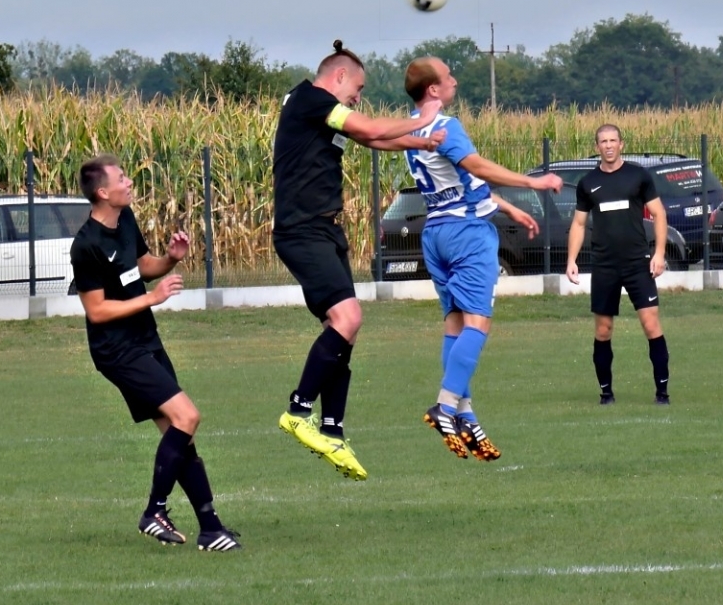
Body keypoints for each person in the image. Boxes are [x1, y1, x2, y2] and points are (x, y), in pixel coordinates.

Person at [271, 39, 444, 480]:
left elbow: (370, 140)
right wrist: (423, 120)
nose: (358, 97)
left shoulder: (319, 110)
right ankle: (298, 411)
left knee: (343, 332)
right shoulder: (312, 99)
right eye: (358, 88)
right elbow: (367, 128)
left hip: (325, 231)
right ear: (339, 76)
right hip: (303, 231)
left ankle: (332, 429)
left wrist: (418, 141)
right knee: (347, 318)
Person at [71, 155, 239, 550]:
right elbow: (96, 310)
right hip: (117, 350)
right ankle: (154, 511)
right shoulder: (86, 245)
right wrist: (152, 299)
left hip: (145, 340)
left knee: (180, 435)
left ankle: (211, 528)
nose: (129, 181)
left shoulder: (124, 220)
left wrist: (170, 260)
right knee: (188, 416)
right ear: (102, 192)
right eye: (121, 178)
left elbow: (142, 265)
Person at [400, 56, 562, 460]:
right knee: (479, 322)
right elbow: (476, 166)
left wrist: (508, 208)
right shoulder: (446, 127)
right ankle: (445, 405)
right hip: (467, 235)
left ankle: (465, 413)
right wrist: (533, 182)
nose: (454, 80)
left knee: (455, 322)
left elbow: (461, 182)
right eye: (447, 76)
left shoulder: (412, 127)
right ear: (434, 90)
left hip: (435, 233)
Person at [564, 125, 671, 405]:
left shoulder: (639, 176)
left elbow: (659, 214)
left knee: (651, 325)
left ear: (621, 144)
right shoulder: (588, 183)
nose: (608, 145)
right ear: (597, 146)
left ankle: (662, 393)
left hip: (638, 264)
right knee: (603, 330)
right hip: (604, 266)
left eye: (613, 140)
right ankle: (606, 393)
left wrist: (659, 253)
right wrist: (571, 260)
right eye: (603, 141)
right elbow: (578, 223)